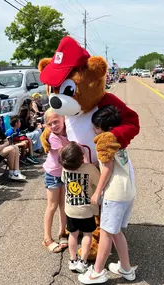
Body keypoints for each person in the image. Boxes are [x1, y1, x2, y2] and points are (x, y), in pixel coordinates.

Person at [78, 105, 136, 284]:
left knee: (105, 235)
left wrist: (98, 191)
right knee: (116, 231)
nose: (93, 130)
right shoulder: (117, 137)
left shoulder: (104, 141)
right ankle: (126, 269)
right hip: (128, 190)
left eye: (95, 127)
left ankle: (96, 273)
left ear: (104, 129)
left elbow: (108, 168)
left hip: (115, 193)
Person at [59, 142, 100, 273]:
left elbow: (63, 179)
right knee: (87, 235)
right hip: (86, 210)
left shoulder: (65, 169)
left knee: (73, 234)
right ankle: (83, 262)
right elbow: (98, 182)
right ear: (82, 157)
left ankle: (72, 260)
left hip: (70, 209)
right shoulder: (90, 169)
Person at [42, 108, 69, 253]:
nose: (54, 126)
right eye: (50, 124)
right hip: (53, 174)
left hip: (64, 175)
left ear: (64, 118)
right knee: (52, 206)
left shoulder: (68, 131)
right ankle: (47, 238)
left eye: (56, 121)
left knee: (63, 205)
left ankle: (62, 233)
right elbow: (64, 156)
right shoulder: (53, 137)